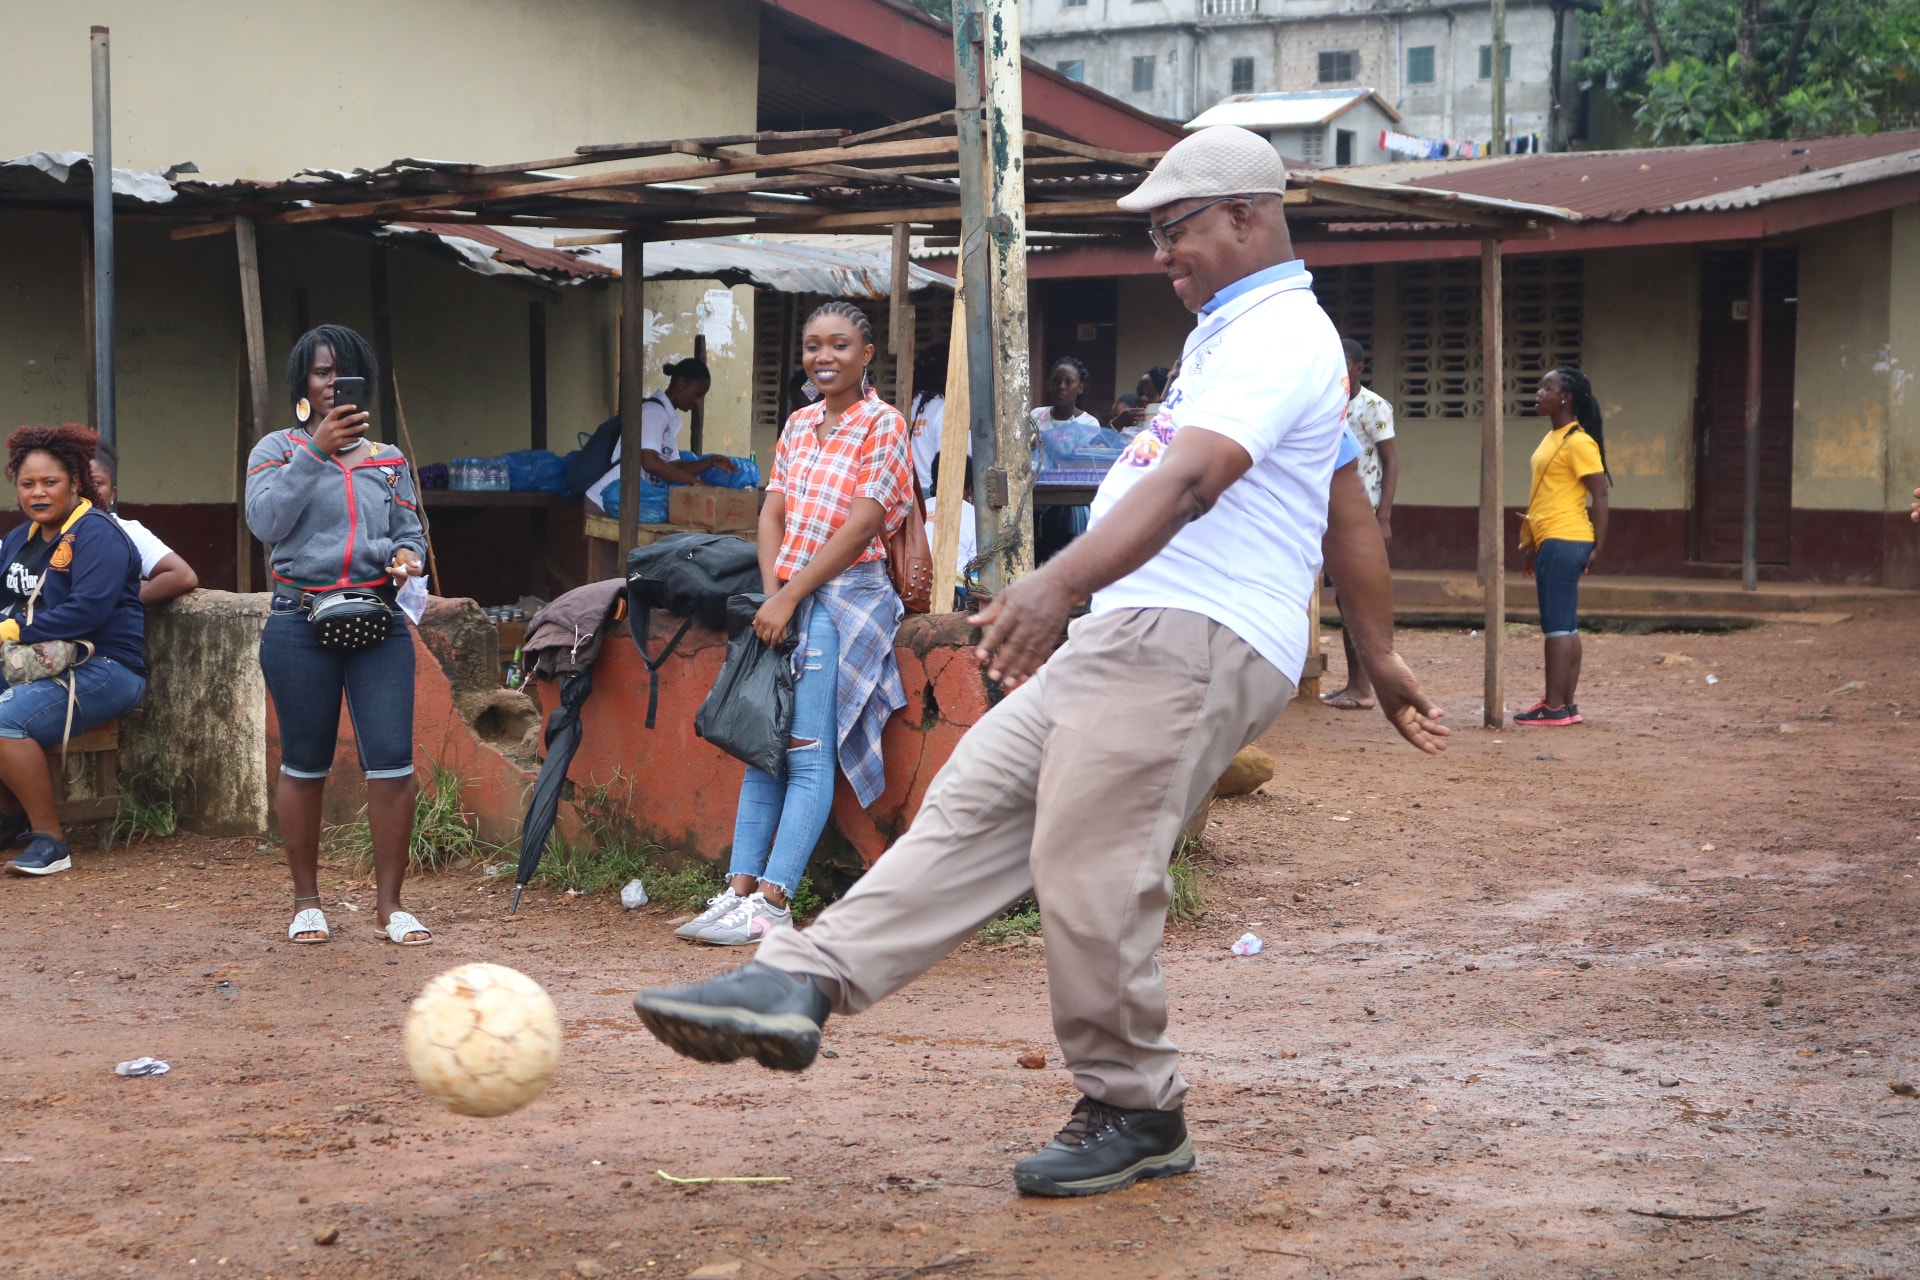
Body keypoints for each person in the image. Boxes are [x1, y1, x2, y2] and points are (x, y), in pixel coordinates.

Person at [632, 126, 1448, 1197]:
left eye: (1176, 231)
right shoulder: (1230, 333)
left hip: (1196, 631)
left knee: (1090, 853)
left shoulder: (1279, 333)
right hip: (1136, 626)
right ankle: (802, 983)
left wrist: (1057, 584)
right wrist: (1377, 651)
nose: (1162, 254)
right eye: (1156, 235)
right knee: (977, 795)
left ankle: (1136, 1103)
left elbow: (1194, 482)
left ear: (1245, 216)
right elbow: (1341, 499)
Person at [673, 301, 914, 947]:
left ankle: (775, 903)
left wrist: (788, 599)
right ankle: (739, 890)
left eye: (839, 344)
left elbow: (863, 523)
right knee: (762, 748)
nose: (823, 356)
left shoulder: (883, 425)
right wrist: (772, 594)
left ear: (867, 354)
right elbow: (770, 516)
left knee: (805, 751)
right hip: (786, 599)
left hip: (844, 600)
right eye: (812, 346)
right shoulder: (801, 424)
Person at [245, 325, 431, 945]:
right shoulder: (275, 450)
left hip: (378, 620)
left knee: (392, 764)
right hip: (299, 621)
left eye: (342, 374)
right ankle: (306, 902)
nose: (331, 385)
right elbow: (266, 522)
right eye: (321, 374)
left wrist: (406, 556)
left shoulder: (388, 459)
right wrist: (316, 451)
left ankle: (390, 907)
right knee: (303, 762)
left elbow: (411, 531)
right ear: (303, 381)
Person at [0, 424, 147, 877]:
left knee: (6, 720)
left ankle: (51, 841)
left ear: (76, 482)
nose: (38, 493)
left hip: (105, 667)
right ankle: (9, 823)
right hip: (38, 665)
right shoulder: (18, 541)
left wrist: (15, 629)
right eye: (28, 484)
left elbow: (88, 611)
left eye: (50, 482)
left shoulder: (96, 533)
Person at [1515, 365, 1609, 727]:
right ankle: (1567, 705)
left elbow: (1600, 492)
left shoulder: (1579, 441)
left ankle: (1553, 706)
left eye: (1547, 388)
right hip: (1553, 540)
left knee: (1556, 626)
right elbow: (1548, 495)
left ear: (1565, 398)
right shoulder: (1554, 438)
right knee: (1567, 625)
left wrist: (1600, 544)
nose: (1539, 393)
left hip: (1565, 538)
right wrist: (1533, 544)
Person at [1322, 338, 1399, 711]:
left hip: (1362, 513)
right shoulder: (1328, 403)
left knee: (1355, 599)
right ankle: (1355, 683)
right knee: (1341, 600)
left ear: (1358, 368)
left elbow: (1391, 460)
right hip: (1326, 514)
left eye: (1345, 364)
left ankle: (1363, 687)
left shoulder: (1373, 406)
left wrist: (1383, 516)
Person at [584, 357, 735, 512]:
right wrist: (693, 482)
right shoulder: (655, 413)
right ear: (681, 383)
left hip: (622, 499)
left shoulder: (667, 419)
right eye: (697, 394)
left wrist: (710, 462)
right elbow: (650, 462)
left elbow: (675, 466)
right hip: (604, 500)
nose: (697, 402)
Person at [89, 442, 200, 605]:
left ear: (113, 493)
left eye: (97, 483)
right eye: (80, 482)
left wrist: (121, 603)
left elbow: (183, 576)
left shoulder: (126, 531)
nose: (89, 490)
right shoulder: (48, 530)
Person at [1032, 356, 1104, 562]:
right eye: (1056, 381)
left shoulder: (1089, 423)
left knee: (1064, 515)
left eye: (1068, 382)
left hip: (1070, 497)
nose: (1061, 386)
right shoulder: (1036, 417)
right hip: (1037, 491)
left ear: (1080, 387)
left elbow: (1087, 463)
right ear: (1049, 384)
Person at [924, 449, 977, 609]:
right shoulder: (973, 514)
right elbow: (977, 564)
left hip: (917, 587)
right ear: (969, 489)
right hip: (954, 595)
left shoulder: (919, 508)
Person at [907, 345, 962, 494]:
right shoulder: (942, 409)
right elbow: (944, 460)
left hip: (908, 491)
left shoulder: (907, 404)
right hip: (931, 492)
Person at [1109, 366, 1171, 435]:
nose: (1142, 398)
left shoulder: (1174, 428)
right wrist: (1117, 423)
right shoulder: (1131, 428)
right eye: (1140, 393)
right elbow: (1099, 442)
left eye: (1151, 394)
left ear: (1167, 397)